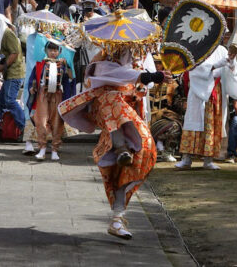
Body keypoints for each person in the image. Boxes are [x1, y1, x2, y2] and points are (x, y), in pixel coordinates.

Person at [59, 52, 168, 239]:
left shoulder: (141, 55)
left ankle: (117, 218)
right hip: (108, 110)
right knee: (112, 99)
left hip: (131, 112)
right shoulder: (103, 56)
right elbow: (108, 75)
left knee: (141, 156)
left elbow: (146, 84)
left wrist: (156, 77)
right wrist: (145, 76)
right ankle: (120, 147)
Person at [175, 44, 237, 170]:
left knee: (212, 125)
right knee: (194, 123)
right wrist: (215, 65)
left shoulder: (222, 50)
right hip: (198, 91)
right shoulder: (197, 49)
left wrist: (231, 61)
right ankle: (186, 159)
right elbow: (193, 70)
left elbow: (234, 73)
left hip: (216, 91)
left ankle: (208, 159)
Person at [26, 39, 73, 161]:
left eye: (56, 50)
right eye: (51, 50)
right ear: (46, 50)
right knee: (41, 121)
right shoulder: (40, 64)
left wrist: (67, 67)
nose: (53, 52)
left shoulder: (63, 64)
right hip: (42, 95)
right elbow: (33, 79)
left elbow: (69, 80)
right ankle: (42, 148)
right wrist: (32, 87)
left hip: (58, 95)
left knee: (57, 122)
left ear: (59, 51)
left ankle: (55, 149)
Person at [0, 13, 26, 135]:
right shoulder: (3, 34)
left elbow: (14, 53)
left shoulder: (7, 34)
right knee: (0, 103)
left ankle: (23, 127)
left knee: (10, 101)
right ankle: (1, 126)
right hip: (9, 73)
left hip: (14, 73)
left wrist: (3, 66)